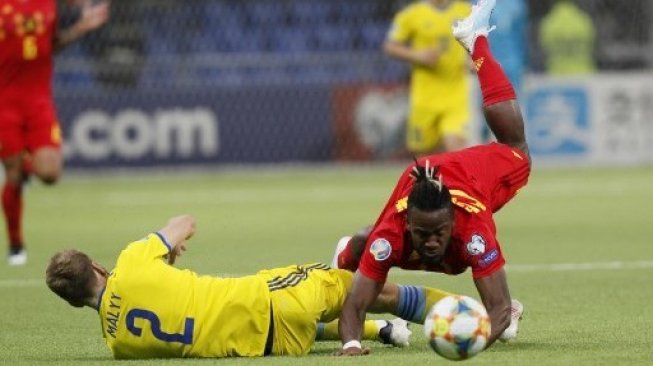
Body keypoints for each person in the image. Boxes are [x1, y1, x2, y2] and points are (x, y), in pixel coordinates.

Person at [333, 0, 529, 356]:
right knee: (365, 249)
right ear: (408, 223)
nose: (433, 241)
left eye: (439, 232)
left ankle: (477, 40)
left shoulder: (474, 232)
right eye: (422, 233)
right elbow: (356, 306)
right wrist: (350, 343)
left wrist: (473, 341)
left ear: (453, 219)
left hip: (471, 174)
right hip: (420, 145)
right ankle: (344, 259)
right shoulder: (391, 236)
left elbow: (499, 308)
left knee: (517, 151)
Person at [46, 214, 459, 359]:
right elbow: (184, 222)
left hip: (273, 343)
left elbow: (167, 309)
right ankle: (472, 318)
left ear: (71, 303)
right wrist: (166, 248)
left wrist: (164, 267)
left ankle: (378, 330)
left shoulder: (117, 345)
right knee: (371, 290)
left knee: (310, 321)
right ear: (98, 266)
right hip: (274, 295)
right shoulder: (132, 263)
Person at [0, 0, 110, 266]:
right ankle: (16, 245)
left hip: (39, 100)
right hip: (4, 101)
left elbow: (51, 44)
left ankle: (25, 164)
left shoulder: (47, 4)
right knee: (12, 173)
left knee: (49, 173)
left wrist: (81, 27)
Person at [383, 0, 472, 155]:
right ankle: (430, 179)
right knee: (423, 156)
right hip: (424, 97)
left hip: (455, 94)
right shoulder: (410, 15)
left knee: (456, 146)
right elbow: (390, 46)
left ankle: (454, 179)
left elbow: (480, 43)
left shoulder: (467, 11)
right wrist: (417, 55)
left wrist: (474, 60)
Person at [539, 0, 596, 75]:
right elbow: (592, 47)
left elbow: (543, 50)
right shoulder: (584, 21)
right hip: (584, 75)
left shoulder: (548, 24)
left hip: (556, 76)